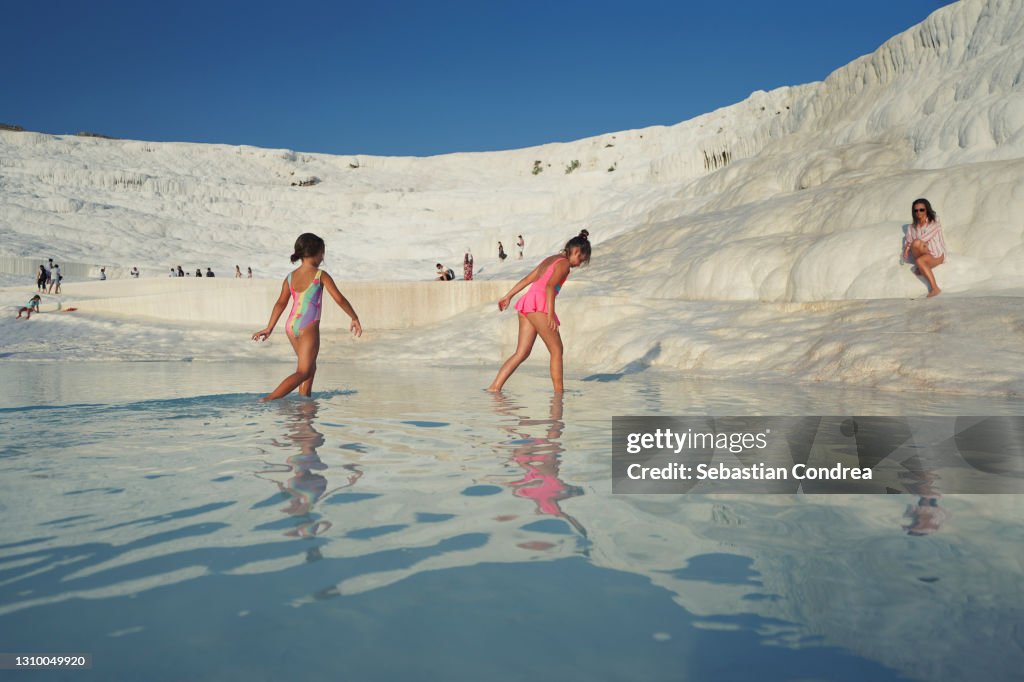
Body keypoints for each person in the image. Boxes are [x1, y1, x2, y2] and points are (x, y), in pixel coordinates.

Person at [252, 232, 362, 401]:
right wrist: (354, 317)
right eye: (322, 253)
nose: (323, 257)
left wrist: (269, 327)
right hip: (308, 325)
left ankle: (304, 401)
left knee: (309, 368)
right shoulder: (320, 275)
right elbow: (339, 298)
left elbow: (280, 303)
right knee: (303, 371)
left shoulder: (290, 277)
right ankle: (269, 399)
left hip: (291, 326)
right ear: (317, 253)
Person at [488, 230, 591, 393]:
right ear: (576, 251)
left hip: (527, 303)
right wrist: (550, 314)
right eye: (580, 259)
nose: (578, 264)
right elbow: (549, 287)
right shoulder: (563, 264)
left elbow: (528, 279)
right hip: (539, 305)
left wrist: (508, 296)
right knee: (557, 350)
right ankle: (559, 394)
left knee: (521, 353)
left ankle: (494, 388)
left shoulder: (550, 260)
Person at [903, 198, 948, 298]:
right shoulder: (912, 227)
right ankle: (922, 267)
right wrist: (906, 248)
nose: (918, 212)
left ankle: (935, 288)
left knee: (917, 243)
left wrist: (911, 244)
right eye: (916, 210)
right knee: (918, 256)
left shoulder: (934, 221)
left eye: (921, 210)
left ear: (927, 209)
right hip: (923, 254)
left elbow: (925, 238)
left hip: (936, 254)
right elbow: (908, 239)